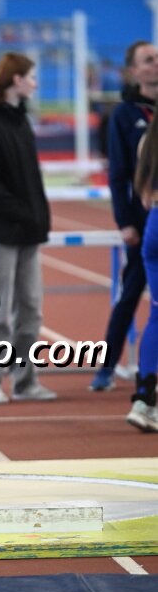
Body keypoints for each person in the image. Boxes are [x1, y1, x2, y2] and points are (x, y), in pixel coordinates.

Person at [0, 52, 56, 404]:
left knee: (31, 309)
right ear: (17, 79)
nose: (35, 83)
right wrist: (23, 212)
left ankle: (25, 381)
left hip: (28, 231)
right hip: (1, 232)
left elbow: (30, 178)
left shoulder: (21, 120)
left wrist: (37, 216)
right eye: (31, 77)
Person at [90, 40, 158, 392]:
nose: (156, 64)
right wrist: (125, 222)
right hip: (145, 222)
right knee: (130, 294)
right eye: (148, 60)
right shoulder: (125, 114)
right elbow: (118, 174)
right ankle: (107, 367)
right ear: (134, 70)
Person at [126, 117, 158, 431]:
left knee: (157, 315)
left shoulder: (148, 140)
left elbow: (144, 195)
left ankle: (145, 401)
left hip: (154, 227)